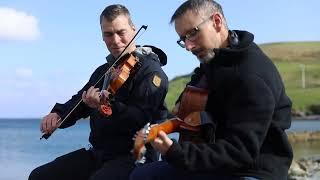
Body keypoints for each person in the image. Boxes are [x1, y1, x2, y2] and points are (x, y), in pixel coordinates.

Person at [130, 0, 293, 180]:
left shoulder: (251, 76)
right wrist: (179, 110)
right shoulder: (215, 59)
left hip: (251, 170)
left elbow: (240, 151)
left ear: (217, 21)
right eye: (183, 39)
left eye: (192, 33)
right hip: (215, 160)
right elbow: (197, 86)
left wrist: (174, 151)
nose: (188, 46)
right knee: (141, 175)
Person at [28, 4, 168, 180]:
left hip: (136, 156)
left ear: (133, 29)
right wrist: (58, 114)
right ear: (102, 36)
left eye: (121, 32)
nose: (115, 40)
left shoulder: (152, 72)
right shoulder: (105, 70)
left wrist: (106, 106)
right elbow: (80, 100)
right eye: (108, 34)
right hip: (100, 154)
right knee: (40, 176)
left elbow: (141, 120)